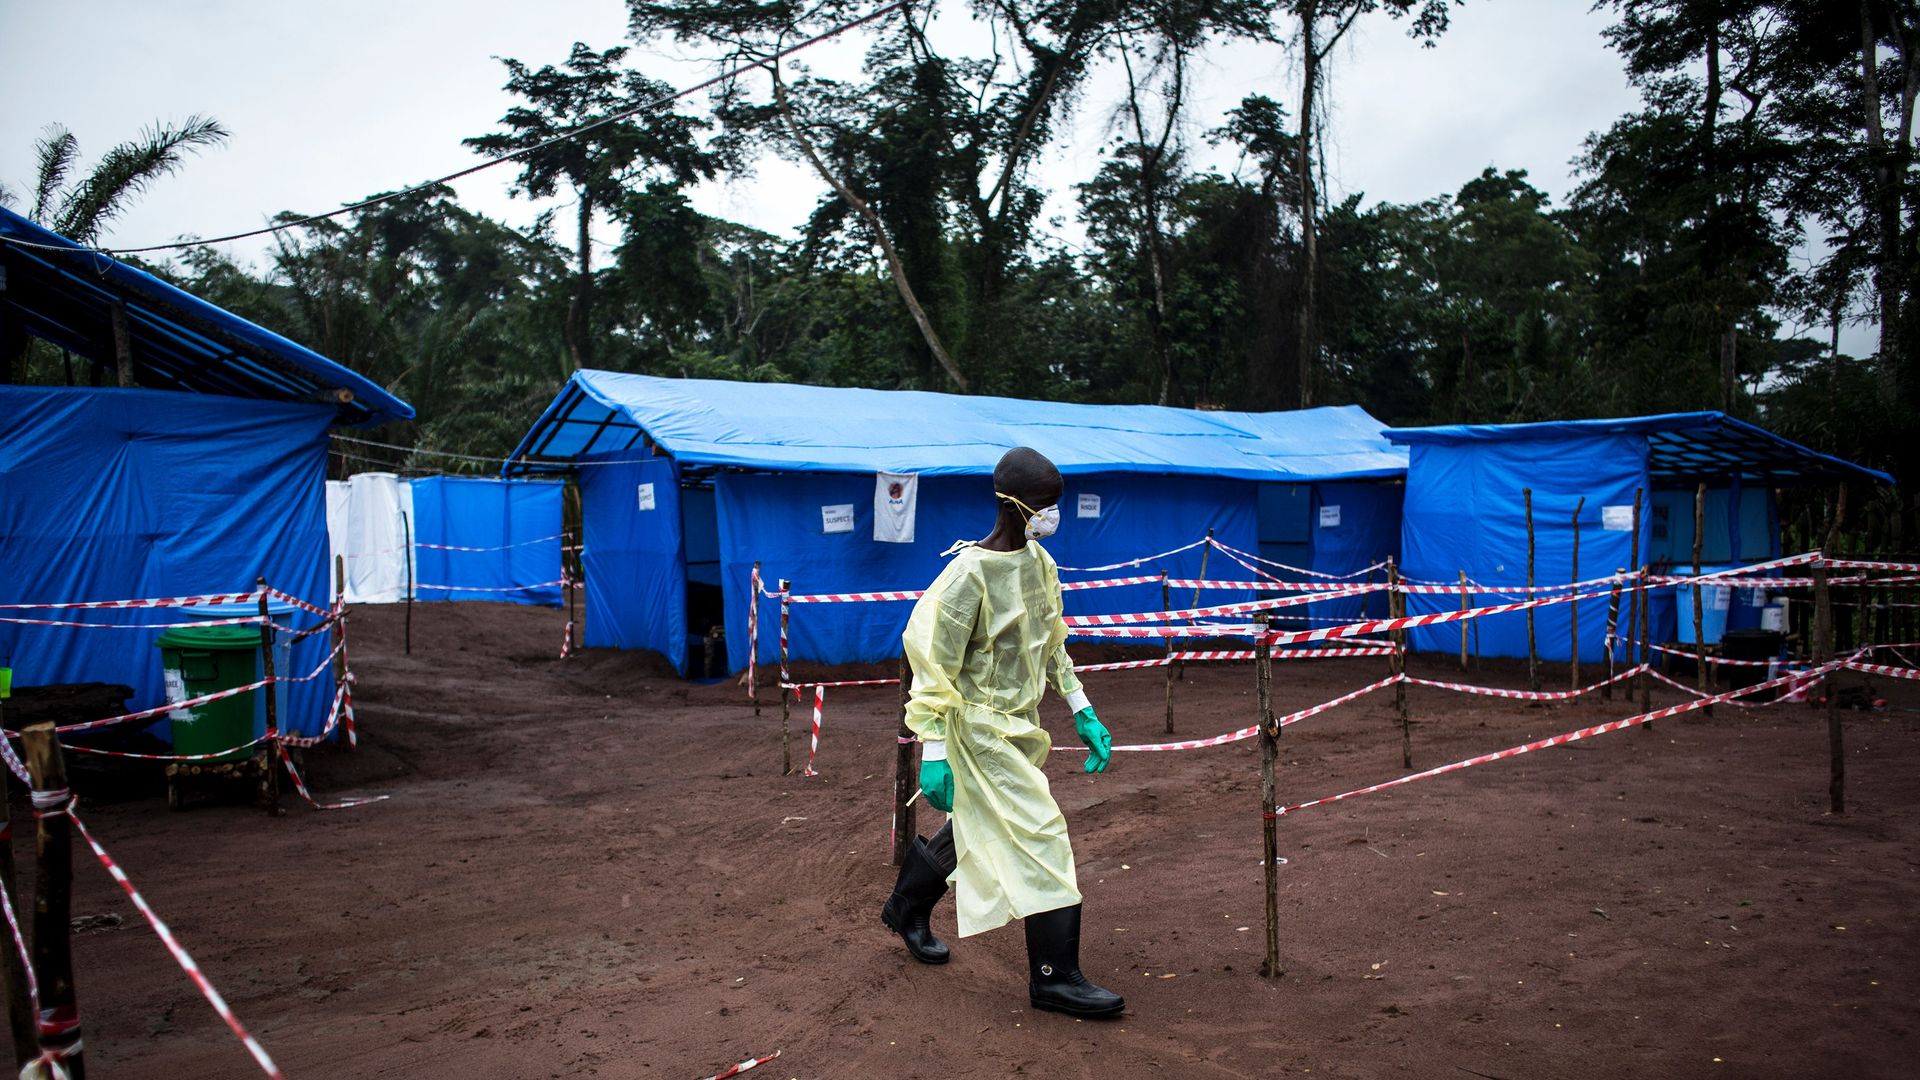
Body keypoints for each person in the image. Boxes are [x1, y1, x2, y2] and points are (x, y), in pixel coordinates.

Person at [879, 447, 1125, 1019]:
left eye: (1055, 504)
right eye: (1044, 505)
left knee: (978, 823)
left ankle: (905, 908)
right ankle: (1054, 978)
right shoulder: (967, 575)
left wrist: (1081, 708)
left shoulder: (1039, 563)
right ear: (1012, 504)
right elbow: (929, 659)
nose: (1052, 515)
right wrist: (934, 749)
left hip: (1019, 724)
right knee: (1041, 830)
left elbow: (1052, 641)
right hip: (976, 727)